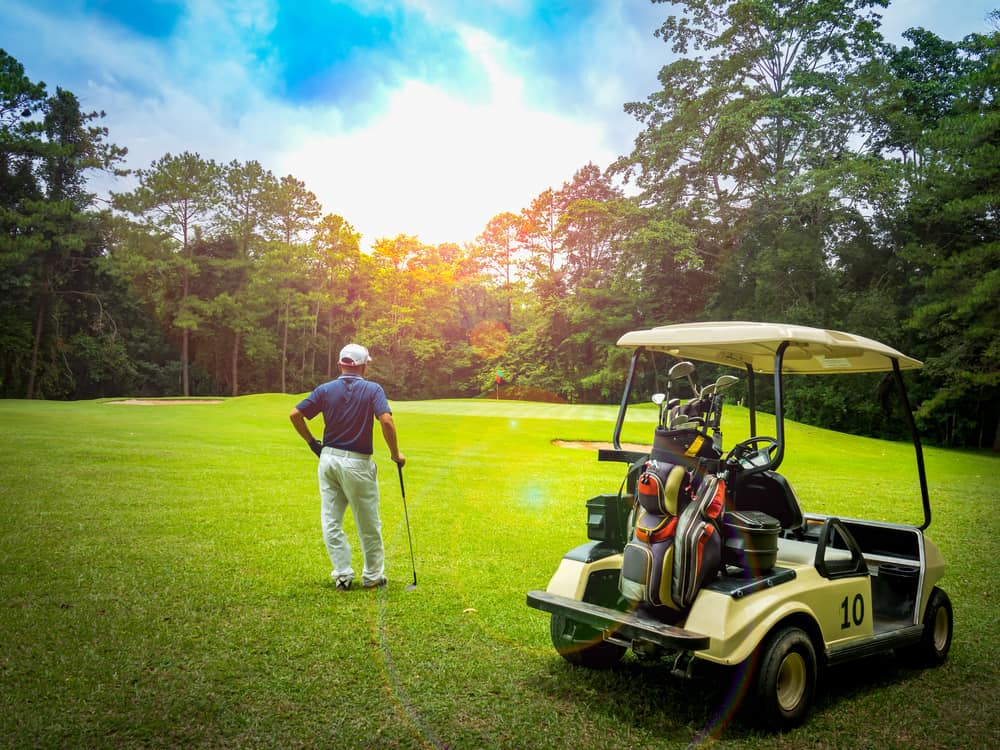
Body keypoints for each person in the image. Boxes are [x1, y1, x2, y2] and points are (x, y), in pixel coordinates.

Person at [289, 343, 405, 591]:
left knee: (331, 520)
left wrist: (312, 443)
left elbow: (295, 415)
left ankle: (342, 575)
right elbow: (386, 421)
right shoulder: (373, 389)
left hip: (328, 459)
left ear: (341, 364)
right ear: (364, 365)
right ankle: (372, 576)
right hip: (357, 463)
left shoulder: (324, 389)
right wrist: (395, 454)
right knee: (368, 523)